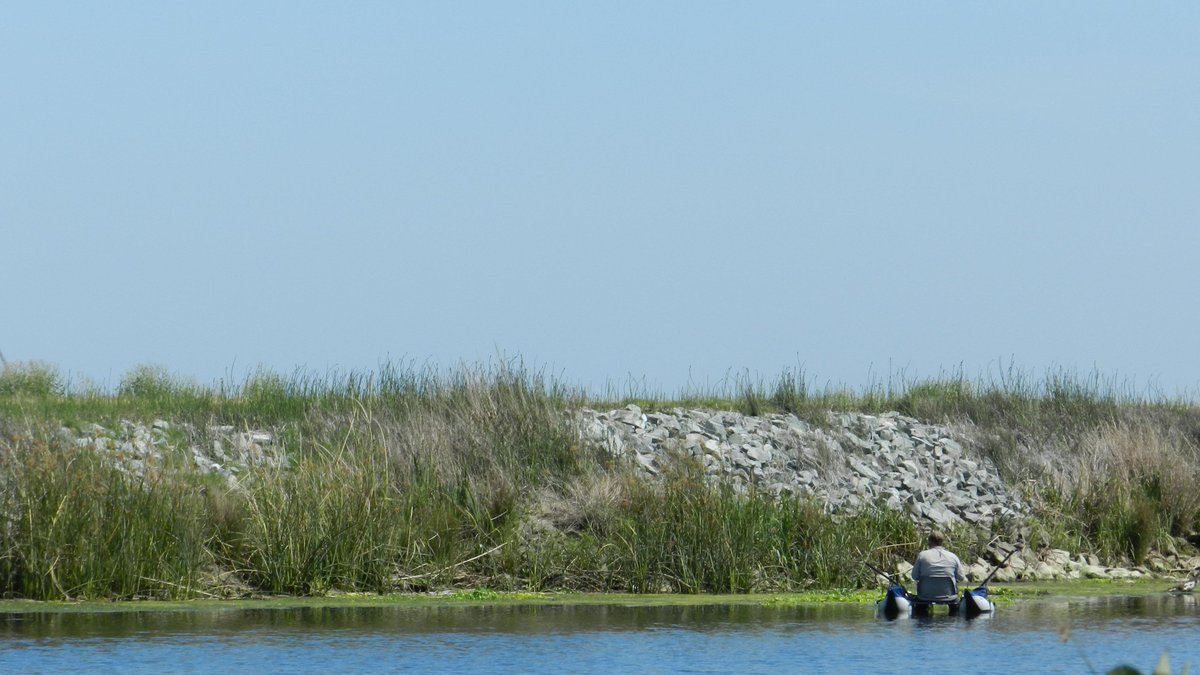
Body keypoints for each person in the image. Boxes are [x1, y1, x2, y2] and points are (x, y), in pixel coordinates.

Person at [911, 530, 966, 604]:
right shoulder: (953, 556)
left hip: (924, 596)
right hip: (949, 597)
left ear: (929, 541)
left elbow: (914, 576)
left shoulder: (922, 555)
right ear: (942, 542)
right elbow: (961, 578)